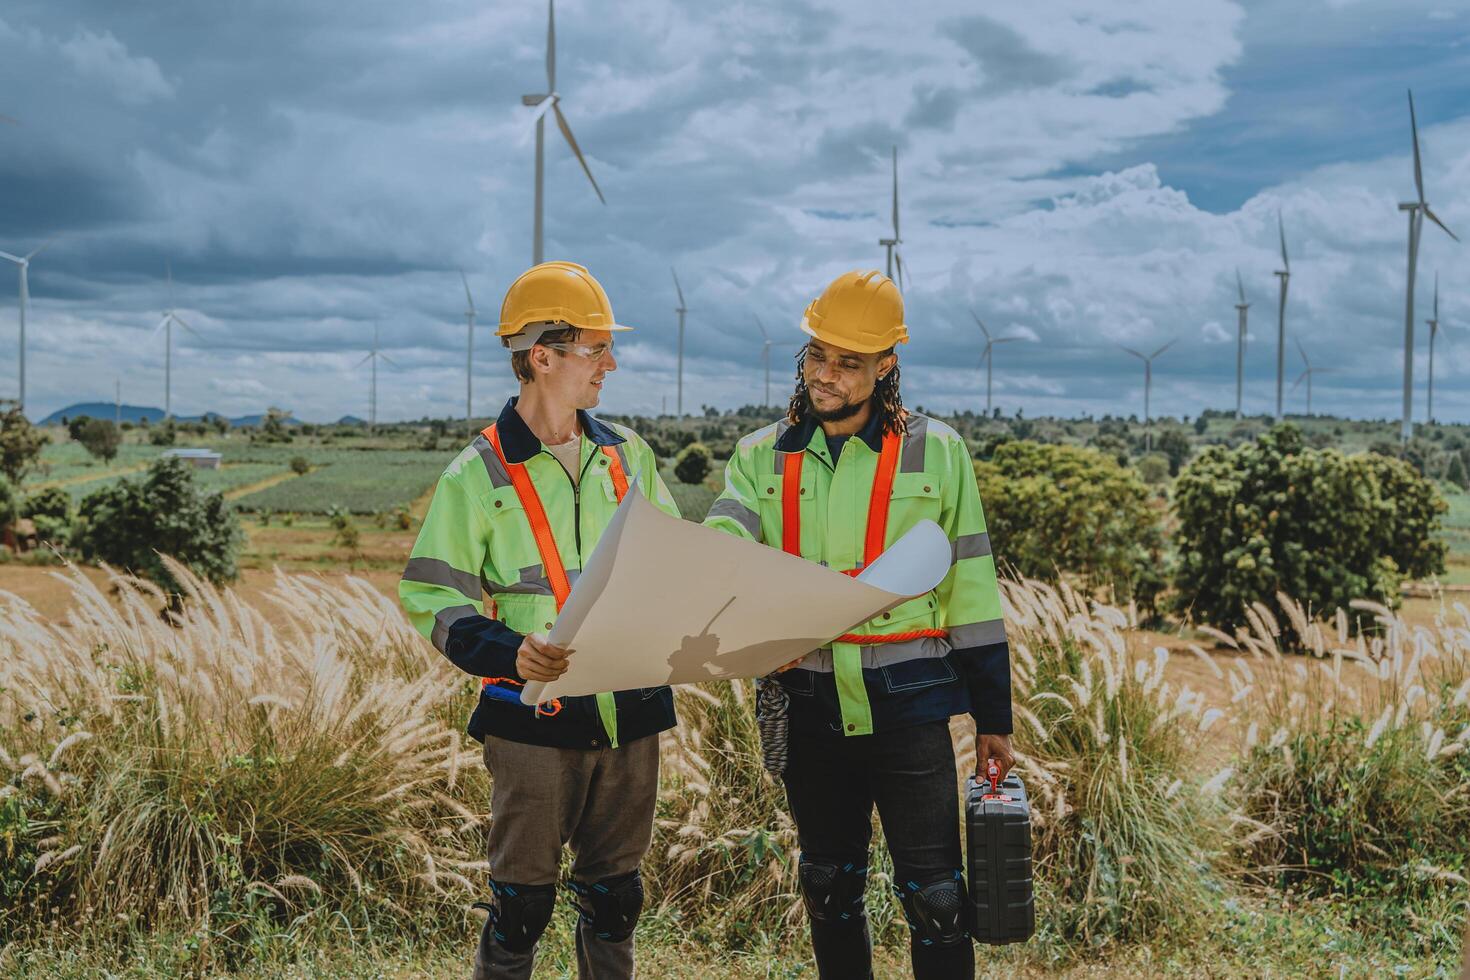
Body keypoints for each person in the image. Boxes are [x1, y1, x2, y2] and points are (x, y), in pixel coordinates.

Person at [704, 270, 1014, 979]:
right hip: (808, 705)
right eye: (818, 355)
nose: (827, 374)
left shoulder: (939, 453)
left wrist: (993, 715)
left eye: (848, 361)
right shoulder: (760, 456)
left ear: (886, 366)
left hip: (909, 707)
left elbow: (971, 586)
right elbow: (725, 543)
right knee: (828, 888)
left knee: (937, 898)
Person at [399, 261, 680, 980]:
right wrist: (510, 652)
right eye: (595, 349)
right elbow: (432, 597)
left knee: (617, 899)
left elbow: (678, 562)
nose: (610, 364)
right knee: (522, 907)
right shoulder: (477, 474)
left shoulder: (628, 457)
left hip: (630, 710)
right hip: (531, 720)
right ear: (543, 356)